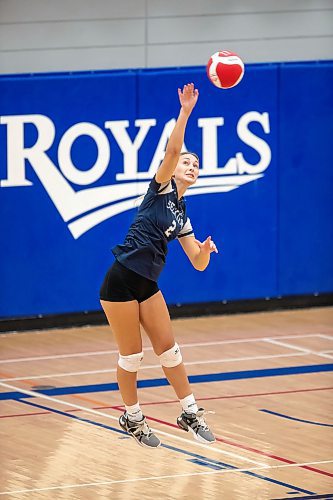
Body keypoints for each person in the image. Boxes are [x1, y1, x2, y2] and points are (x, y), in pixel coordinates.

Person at [100, 83, 218, 448]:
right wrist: (185, 112)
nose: (191, 166)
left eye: (195, 164)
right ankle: (133, 418)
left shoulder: (182, 213)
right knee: (132, 355)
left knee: (169, 349)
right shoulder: (161, 188)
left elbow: (196, 264)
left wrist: (205, 251)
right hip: (120, 281)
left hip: (147, 283)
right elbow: (171, 150)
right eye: (187, 161)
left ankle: (189, 411)